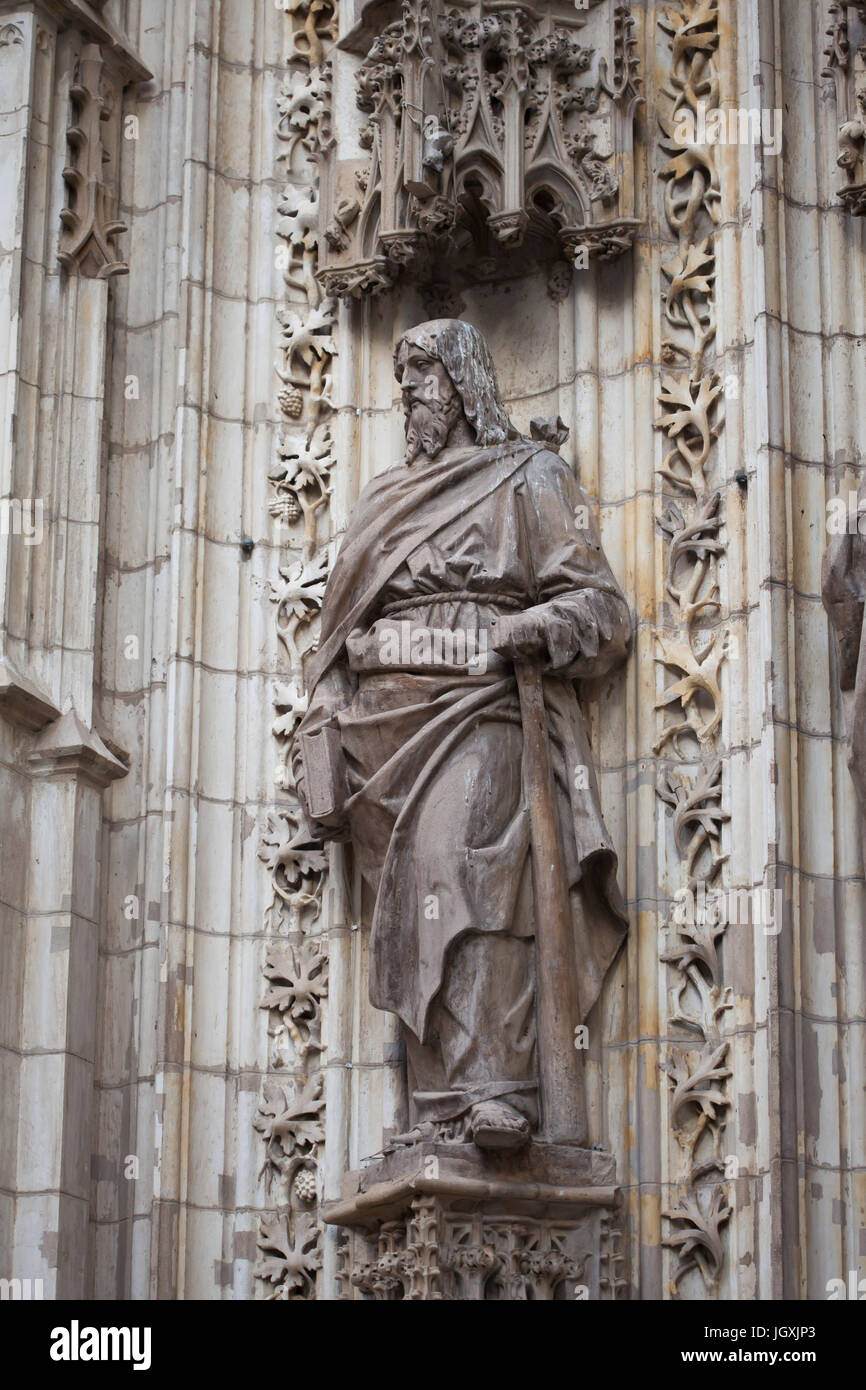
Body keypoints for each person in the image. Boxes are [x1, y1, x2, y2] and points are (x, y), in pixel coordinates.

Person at [293, 319, 630, 1150]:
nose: (408, 391)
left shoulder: (531, 476)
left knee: (463, 863)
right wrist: (323, 724)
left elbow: (604, 609)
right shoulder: (383, 500)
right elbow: (337, 635)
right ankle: (437, 1104)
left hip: (485, 702)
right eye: (402, 377)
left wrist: (534, 630)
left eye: (424, 374)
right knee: (414, 895)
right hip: (387, 727)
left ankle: (497, 1090)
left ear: (467, 380)